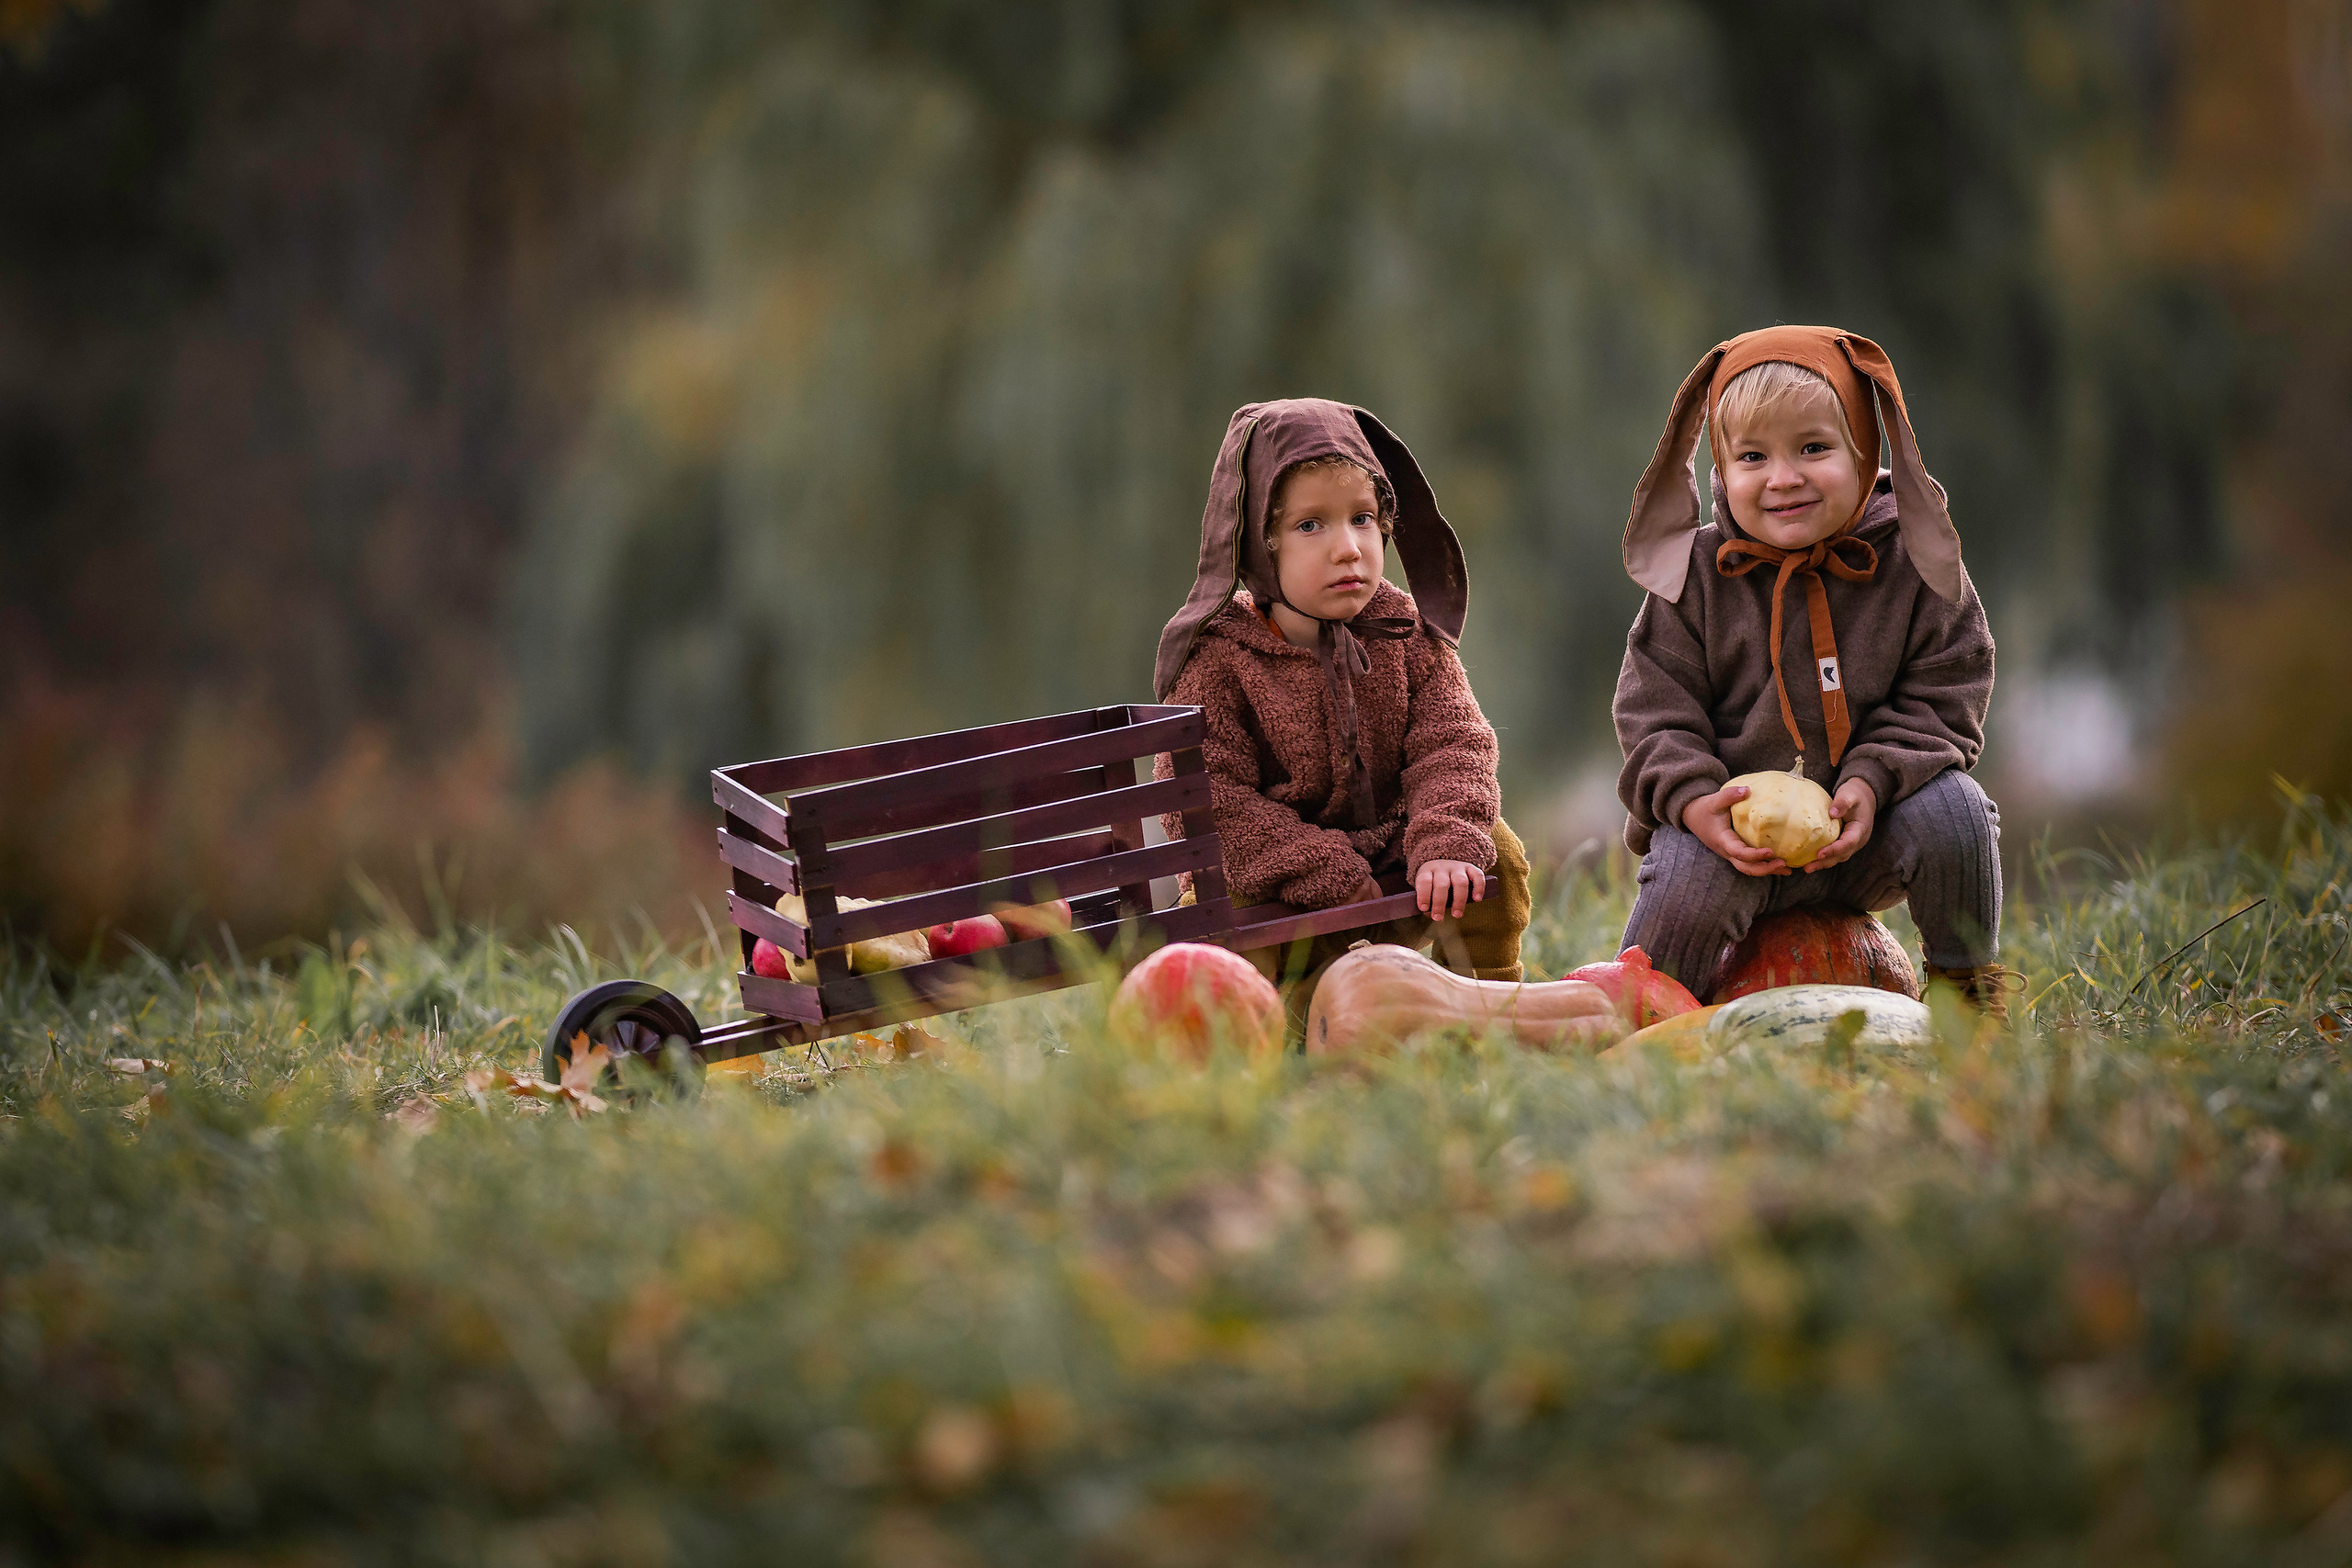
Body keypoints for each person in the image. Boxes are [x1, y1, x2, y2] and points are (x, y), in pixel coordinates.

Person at [1611, 326, 2013, 1013]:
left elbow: (1948, 689)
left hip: (1870, 833)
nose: (1784, 478)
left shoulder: (1913, 561)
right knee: (1684, 884)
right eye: (1753, 456)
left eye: (1814, 448)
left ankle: (1965, 1001)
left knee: (1957, 813)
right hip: (1730, 843)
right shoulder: (1695, 579)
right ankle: (1652, 1019)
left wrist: (1872, 780)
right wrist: (1696, 802)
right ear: (1720, 469)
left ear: (1864, 451)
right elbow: (1654, 714)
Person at [1152, 399, 1530, 1020]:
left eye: (1362, 518)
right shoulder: (1219, 659)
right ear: (1259, 543)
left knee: (1492, 850)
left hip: (1391, 848)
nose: (1349, 548)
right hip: (1279, 873)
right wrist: (1320, 867)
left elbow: (1454, 741)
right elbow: (1206, 797)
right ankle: (1279, 1023)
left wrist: (1443, 838)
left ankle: (1487, 1003)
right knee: (1226, 917)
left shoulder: (1405, 629)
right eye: (1311, 525)